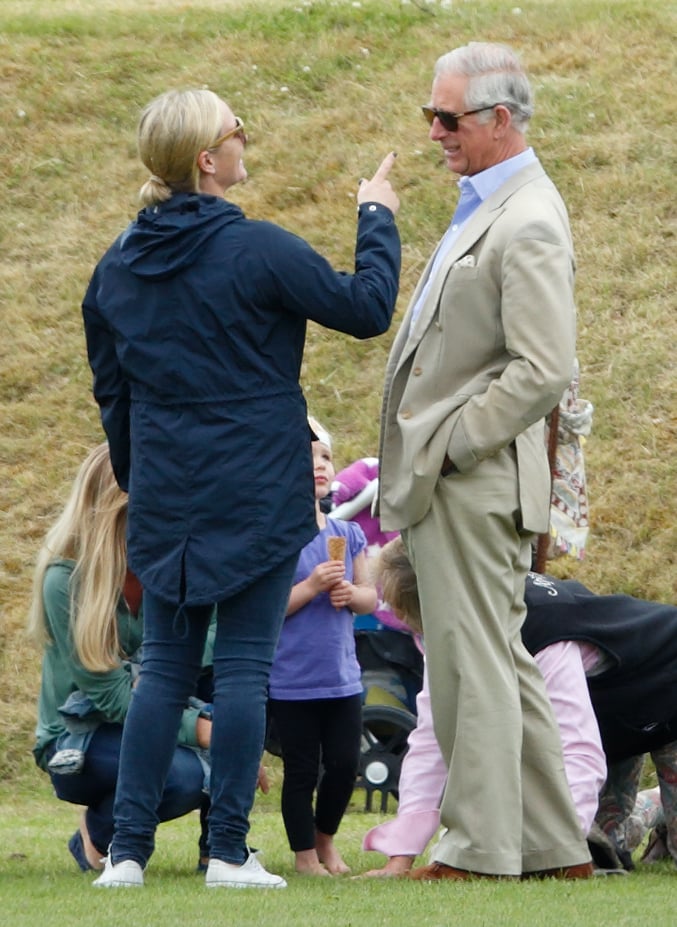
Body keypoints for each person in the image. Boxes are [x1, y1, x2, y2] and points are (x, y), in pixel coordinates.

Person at [80, 88, 400, 889]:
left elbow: (111, 394)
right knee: (247, 667)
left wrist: (140, 476)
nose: (244, 136)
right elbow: (366, 308)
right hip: (257, 493)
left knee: (162, 668)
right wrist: (376, 215)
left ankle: (125, 853)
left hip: (168, 501)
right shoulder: (255, 249)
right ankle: (227, 849)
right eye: (234, 130)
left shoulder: (116, 266)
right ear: (207, 160)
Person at [376, 42, 592, 879]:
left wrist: (451, 446)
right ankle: (551, 848)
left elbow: (541, 368)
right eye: (430, 115)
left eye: (447, 117)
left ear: (501, 120)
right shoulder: (491, 204)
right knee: (497, 659)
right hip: (465, 478)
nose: (433, 131)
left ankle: (479, 850)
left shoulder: (527, 215)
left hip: (472, 479)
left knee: (470, 666)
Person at [362, 546, 677, 875]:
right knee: (606, 846)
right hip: (611, 714)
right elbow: (431, 739)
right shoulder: (453, 631)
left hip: (667, 687)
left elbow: (578, 748)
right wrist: (401, 855)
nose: (401, 620)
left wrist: (561, 852)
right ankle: (654, 806)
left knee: (572, 842)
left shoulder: (540, 627)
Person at [28, 444, 212, 874]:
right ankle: (99, 832)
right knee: (181, 777)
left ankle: (103, 831)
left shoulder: (168, 566)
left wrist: (212, 718)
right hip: (77, 738)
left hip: (149, 714)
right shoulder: (65, 580)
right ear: (115, 511)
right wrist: (200, 730)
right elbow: (111, 697)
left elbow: (214, 635)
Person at [267, 419, 376, 876]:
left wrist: (351, 595)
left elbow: (372, 597)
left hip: (342, 679)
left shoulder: (348, 535)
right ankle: (304, 856)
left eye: (326, 457)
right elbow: (270, 610)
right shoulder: (276, 540)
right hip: (291, 683)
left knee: (346, 764)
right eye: (307, 457)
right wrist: (311, 585)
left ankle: (327, 841)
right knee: (301, 772)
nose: (319, 465)